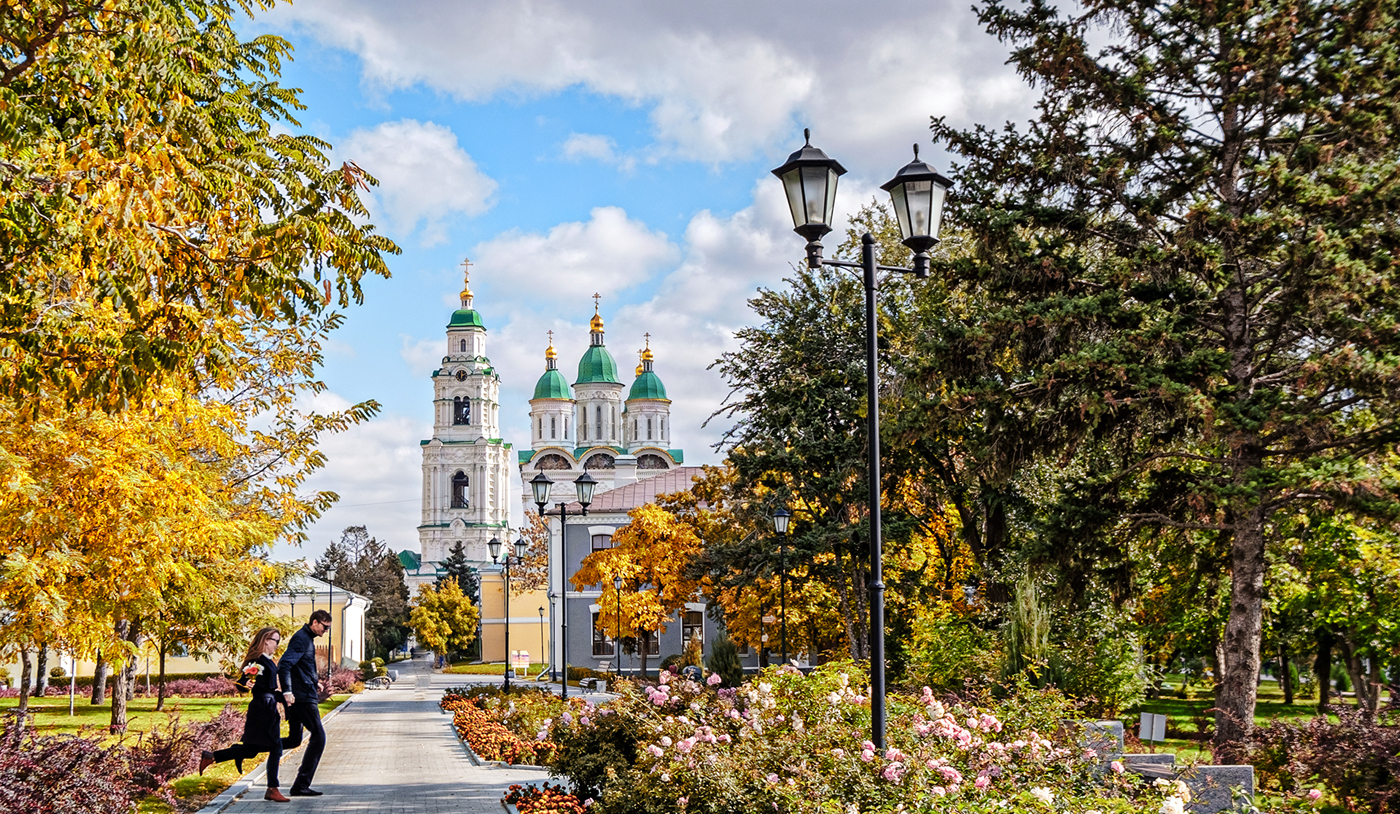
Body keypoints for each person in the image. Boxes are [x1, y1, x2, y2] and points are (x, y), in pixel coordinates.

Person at [199, 627, 291, 803]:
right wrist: (245, 683)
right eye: (275, 641)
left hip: (266, 706)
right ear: (265, 640)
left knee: (251, 750)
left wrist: (284, 697)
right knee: (276, 747)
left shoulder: (266, 660)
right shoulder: (257, 661)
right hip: (263, 709)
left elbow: (267, 687)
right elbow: (242, 680)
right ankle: (272, 789)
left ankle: (212, 757)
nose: (277, 645)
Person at [278, 608, 332, 797]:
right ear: (315, 622)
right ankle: (301, 785)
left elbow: (300, 665)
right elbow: (284, 664)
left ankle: (254, 747)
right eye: (324, 627)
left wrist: (313, 679)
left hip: (303, 693)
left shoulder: (306, 639)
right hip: (302, 698)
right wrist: (287, 691)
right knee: (319, 737)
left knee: (294, 740)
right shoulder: (302, 638)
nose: (325, 632)